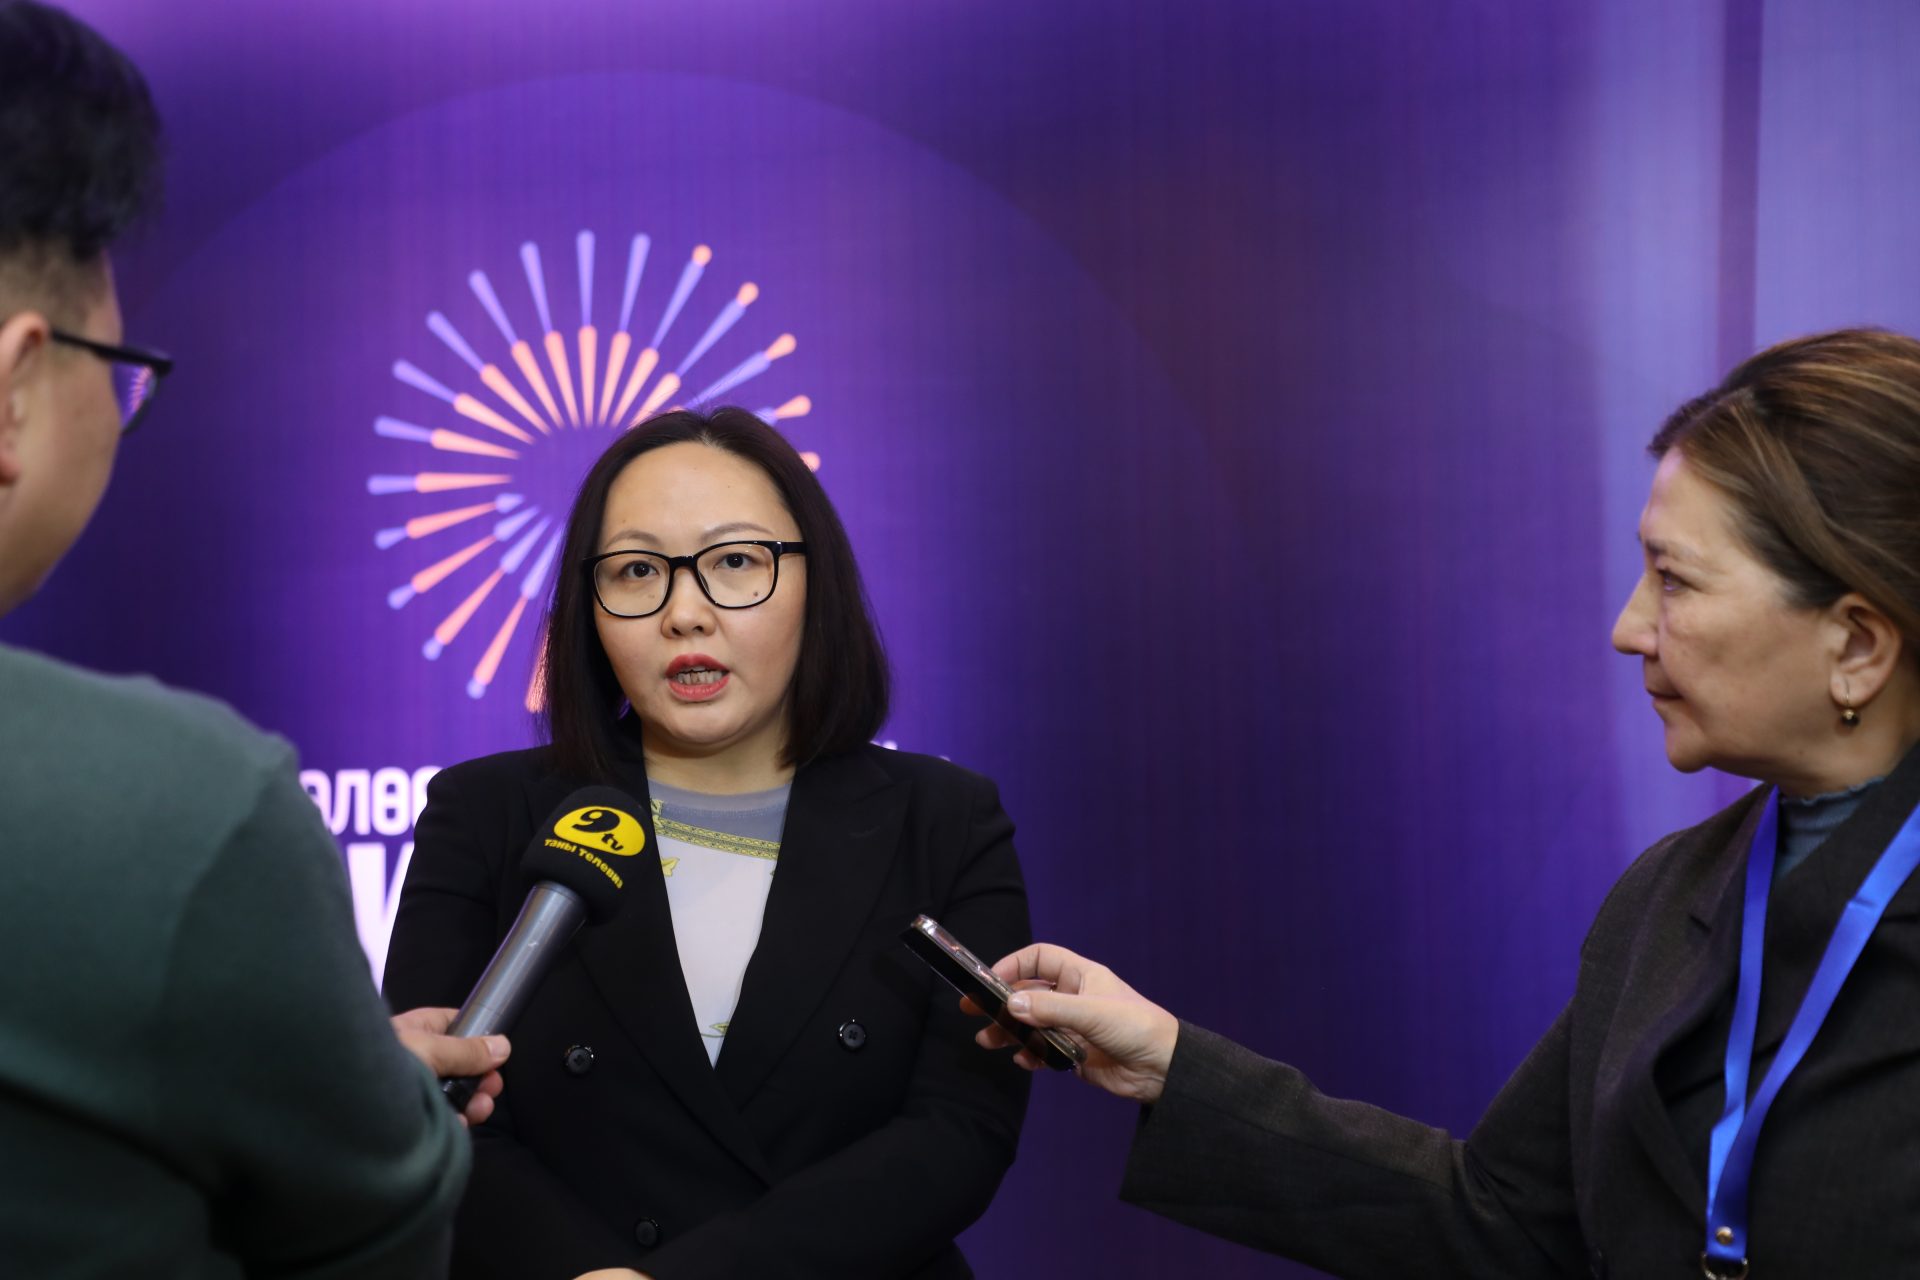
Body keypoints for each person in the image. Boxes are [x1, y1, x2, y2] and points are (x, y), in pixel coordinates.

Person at [972, 328, 1920, 1278]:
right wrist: (1171, 1067)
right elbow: (1504, 1224)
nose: (1631, 628)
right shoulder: (1668, 899)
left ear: (1857, 648)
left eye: (1674, 581)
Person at [0, 3, 506, 1274]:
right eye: (116, 369)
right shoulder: (191, 814)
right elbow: (373, 1232)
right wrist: (386, 1116)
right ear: (13, 386)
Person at [384, 406, 1034, 1280]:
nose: (684, 614)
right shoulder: (484, 813)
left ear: (816, 581)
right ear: (590, 605)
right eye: (638, 571)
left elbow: (961, 1130)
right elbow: (435, 1109)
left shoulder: (947, 820)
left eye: (734, 562)